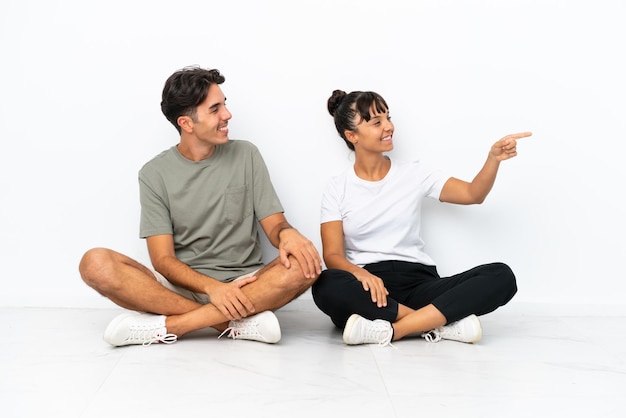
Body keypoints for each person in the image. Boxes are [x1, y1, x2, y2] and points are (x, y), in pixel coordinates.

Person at [79, 66, 322, 347]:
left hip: (248, 285)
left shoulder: (247, 155)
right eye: (215, 109)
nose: (227, 115)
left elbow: (275, 225)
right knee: (94, 263)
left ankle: (175, 325)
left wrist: (287, 233)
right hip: (182, 287)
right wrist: (213, 289)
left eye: (225, 105)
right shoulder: (154, 174)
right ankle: (233, 324)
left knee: (308, 264)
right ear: (187, 123)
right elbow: (163, 261)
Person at [312, 89, 531, 346]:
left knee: (501, 276)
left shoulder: (414, 173)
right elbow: (333, 255)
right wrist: (361, 274)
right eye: (377, 122)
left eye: (388, 118)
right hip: (371, 289)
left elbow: (474, 193)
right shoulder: (338, 187)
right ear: (352, 136)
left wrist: (493, 159)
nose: (389, 127)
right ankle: (437, 323)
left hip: (419, 283)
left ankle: (394, 329)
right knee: (325, 284)